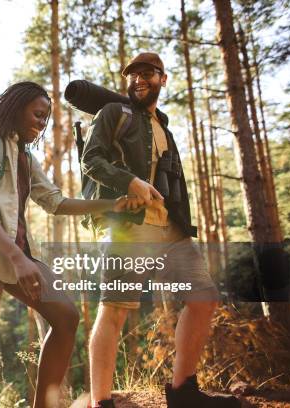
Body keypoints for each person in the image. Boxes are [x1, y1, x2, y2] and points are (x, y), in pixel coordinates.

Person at [0, 81, 140, 408]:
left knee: (65, 318)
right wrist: (19, 261)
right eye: (37, 114)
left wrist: (111, 205)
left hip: (17, 254)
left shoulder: (24, 156)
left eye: (45, 119)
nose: (41, 123)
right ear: (15, 108)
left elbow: (55, 201)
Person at [81, 52, 241, 408]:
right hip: (128, 225)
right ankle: (101, 402)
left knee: (204, 296)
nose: (138, 79)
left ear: (162, 79)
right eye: (132, 75)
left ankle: (183, 391)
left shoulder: (164, 128)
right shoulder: (113, 114)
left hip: (169, 226)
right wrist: (128, 182)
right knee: (116, 308)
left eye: (147, 73)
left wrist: (182, 222)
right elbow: (90, 159)